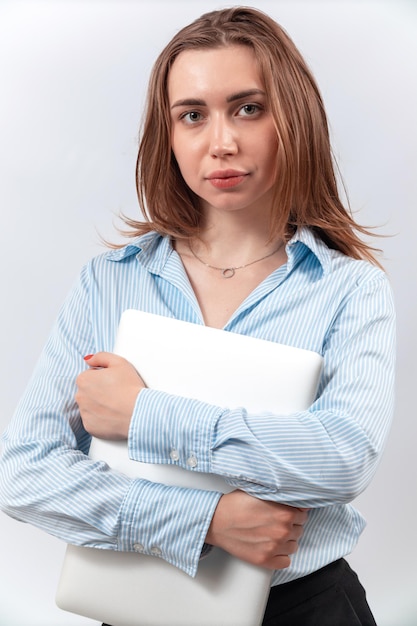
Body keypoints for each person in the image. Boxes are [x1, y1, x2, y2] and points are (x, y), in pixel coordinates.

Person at [0, 7, 395, 626]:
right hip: (135, 603)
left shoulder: (351, 289)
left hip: (306, 608)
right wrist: (206, 522)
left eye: (248, 107)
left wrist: (145, 415)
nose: (222, 142)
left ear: (293, 116)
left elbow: (344, 459)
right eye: (192, 115)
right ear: (170, 136)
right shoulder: (111, 282)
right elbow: (24, 471)